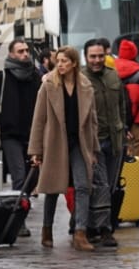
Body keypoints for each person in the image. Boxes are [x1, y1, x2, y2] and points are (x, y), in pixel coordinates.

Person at [28, 45, 102, 251]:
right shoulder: (48, 85)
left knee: (82, 186)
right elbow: (39, 119)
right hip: (54, 143)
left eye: (64, 61)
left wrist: (94, 149)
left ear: (74, 63)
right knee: (53, 187)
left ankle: (80, 232)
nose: (59, 65)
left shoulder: (85, 86)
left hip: (79, 143)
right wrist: (36, 150)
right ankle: (47, 229)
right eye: (57, 61)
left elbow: (93, 121)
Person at [0, 38, 43, 189]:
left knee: (32, 177)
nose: (25, 54)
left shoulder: (35, 76)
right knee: (19, 175)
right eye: (20, 51)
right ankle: (19, 208)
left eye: (27, 50)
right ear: (12, 54)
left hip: (32, 134)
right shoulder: (2, 77)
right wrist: (2, 120)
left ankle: (22, 202)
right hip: (11, 135)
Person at [83, 38, 127, 248]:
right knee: (99, 186)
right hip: (94, 141)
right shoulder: (81, 79)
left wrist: (123, 128)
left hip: (115, 140)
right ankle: (104, 229)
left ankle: (94, 226)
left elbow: (122, 106)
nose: (97, 60)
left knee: (109, 186)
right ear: (86, 57)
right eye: (93, 56)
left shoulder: (113, 75)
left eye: (100, 56)